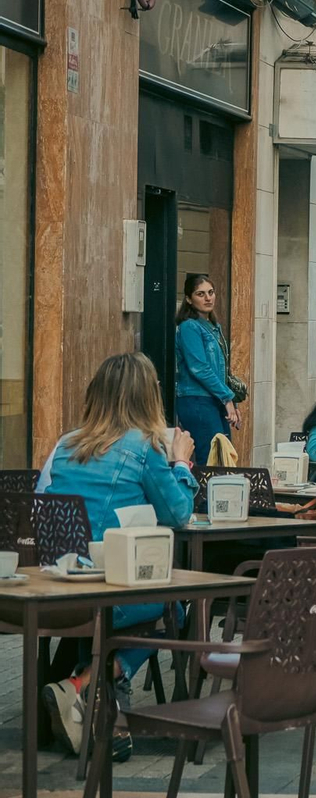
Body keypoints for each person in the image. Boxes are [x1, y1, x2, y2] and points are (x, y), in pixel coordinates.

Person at [37, 353, 197, 761]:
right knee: (174, 611)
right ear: (148, 398)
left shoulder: (65, 444)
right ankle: (83, 684)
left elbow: (41, 503)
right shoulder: (142, 449)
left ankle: (99, 712)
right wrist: (180, 461)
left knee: (127, 612)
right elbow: (178, 513)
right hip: (111, 594)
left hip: (58, 590)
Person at [173, 272, 237, 456]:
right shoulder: (189, 327)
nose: (208, 298)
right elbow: (199, 368)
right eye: (200, 294)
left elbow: (222, 371)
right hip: (196, 399)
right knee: (212, 460)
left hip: (214, 399)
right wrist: (227, 398)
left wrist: (232, 403)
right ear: (189, 299)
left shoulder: (213, 327)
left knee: (224, 457)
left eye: (211, 292)